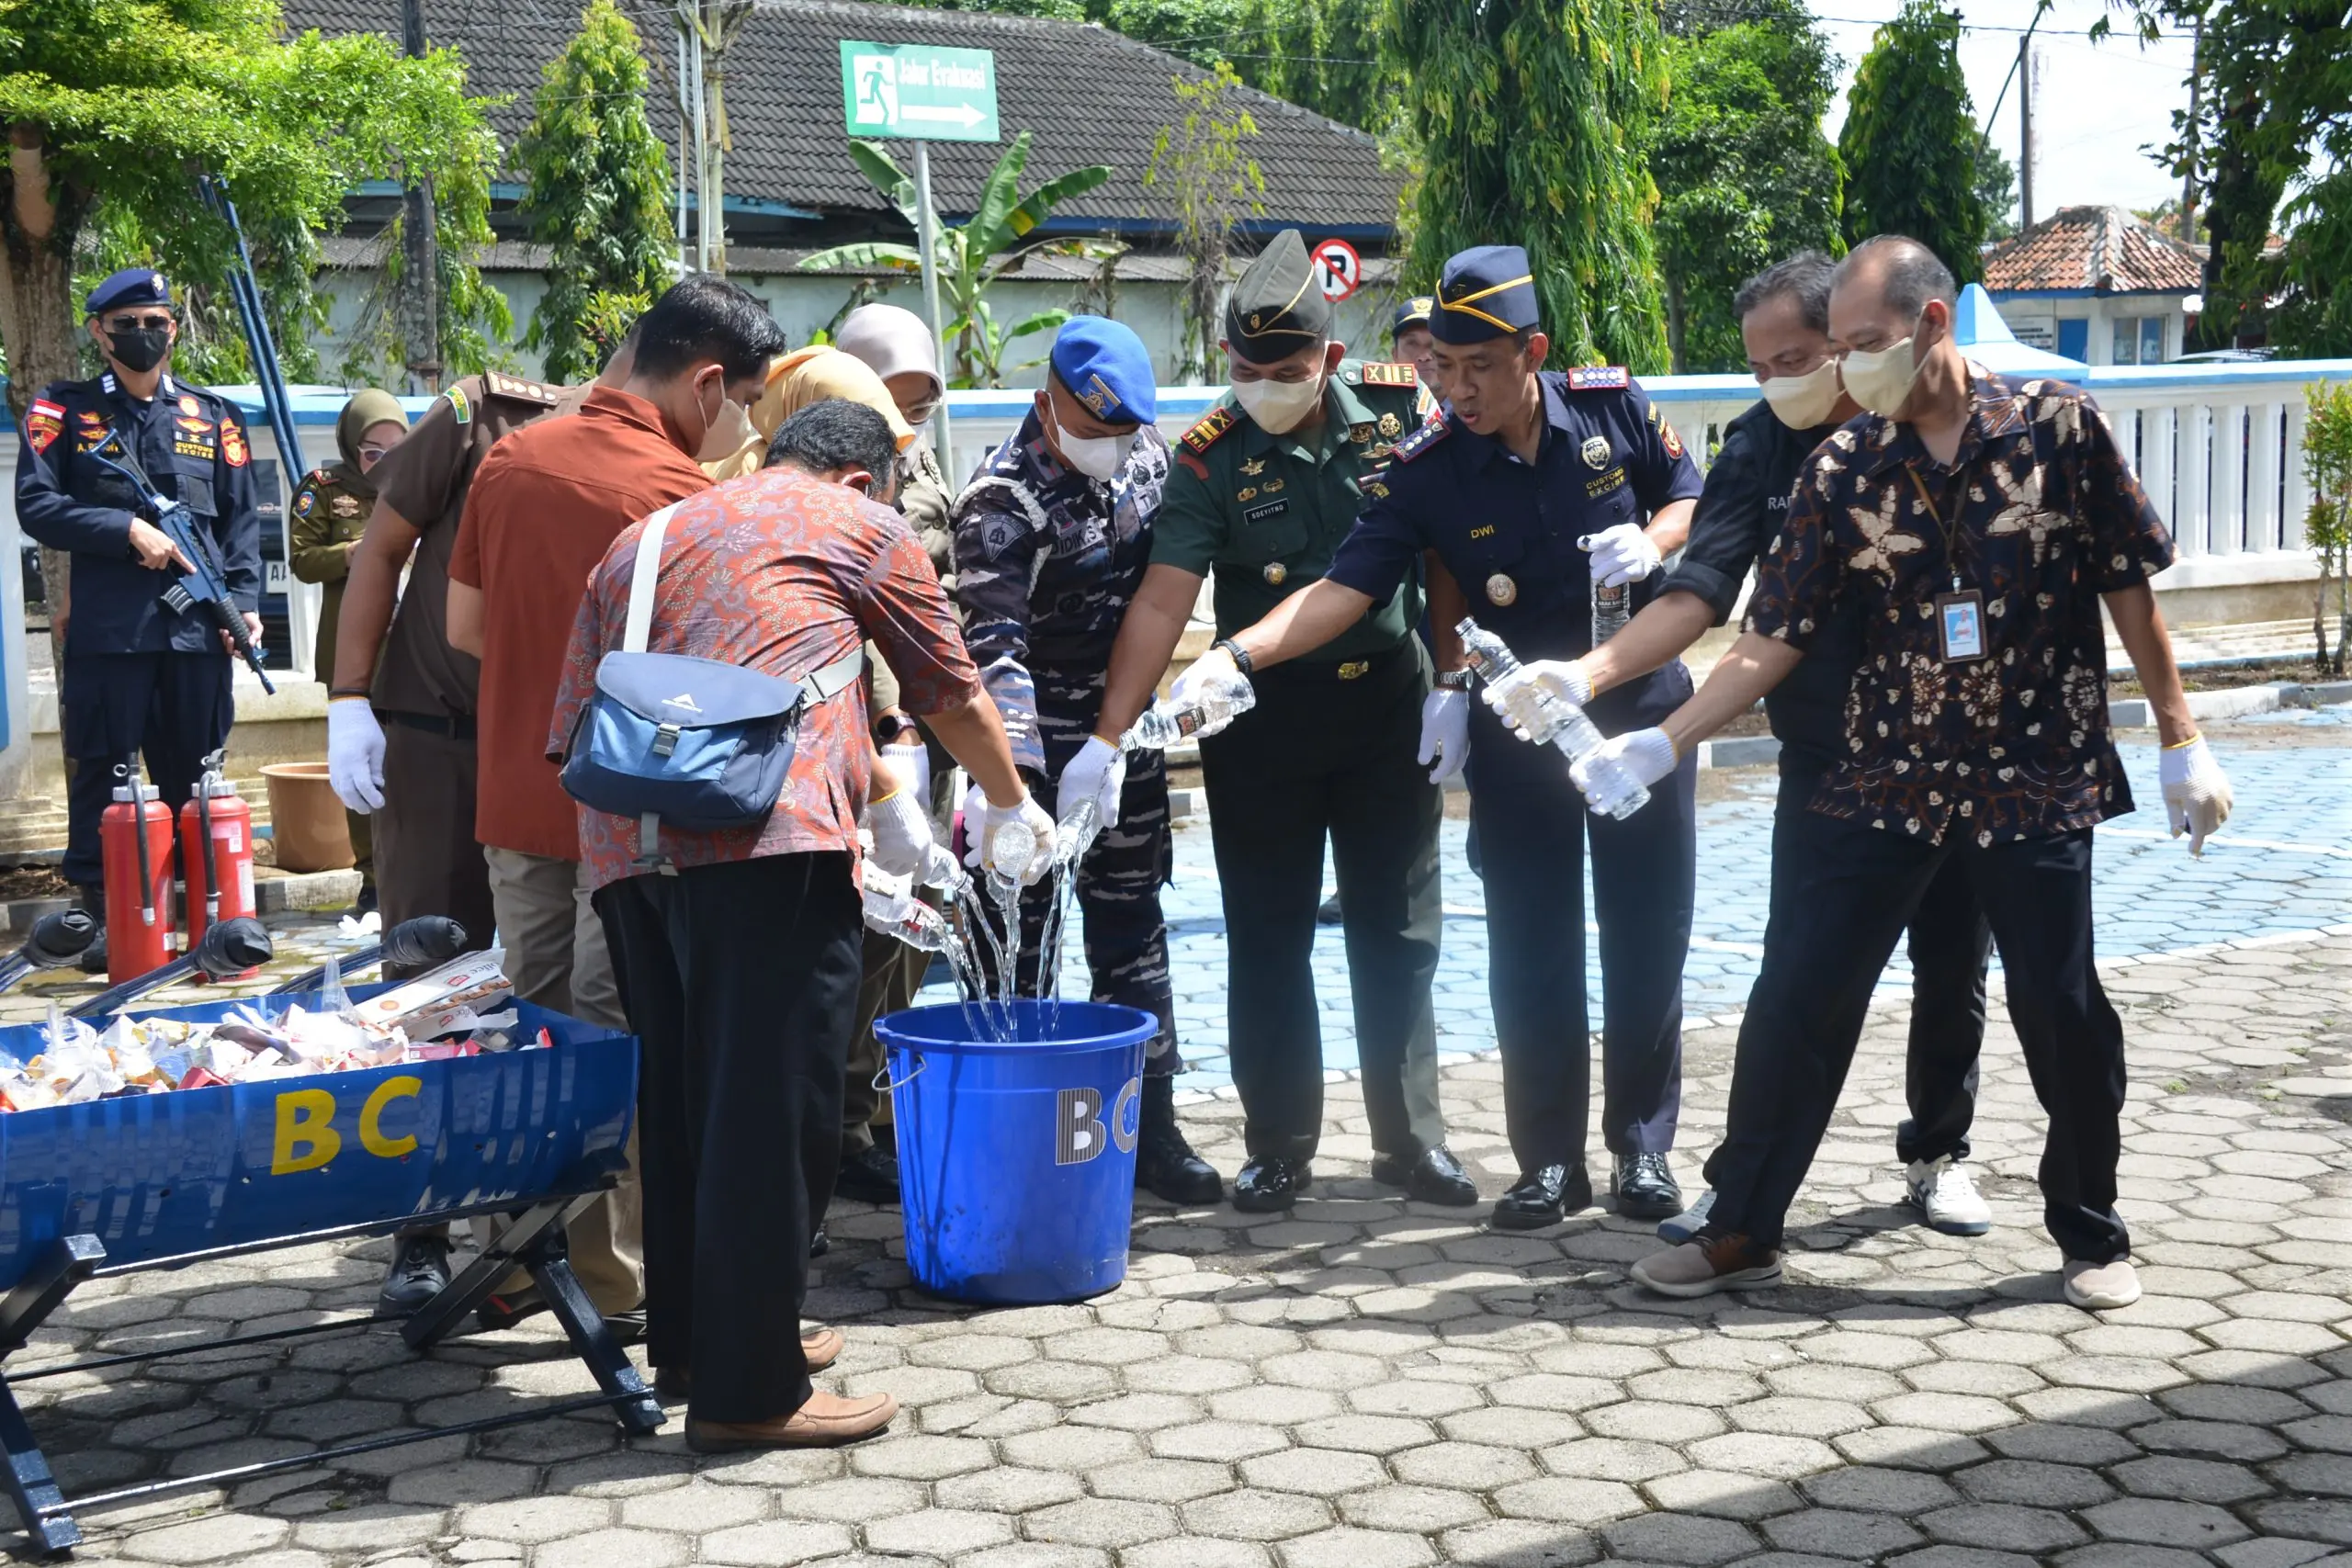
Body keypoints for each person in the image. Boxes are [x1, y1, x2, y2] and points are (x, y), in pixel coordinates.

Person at [1587, 236, 2233, 1312]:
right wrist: (1667, 739)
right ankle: (1742, 1225)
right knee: (1797, 993)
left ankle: (2089, 1230)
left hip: (2032, 766)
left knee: (2058, 1005)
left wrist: (2179, 735)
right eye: (1837, 349)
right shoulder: (1843, 469)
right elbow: (1770, 636)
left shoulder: (2058, 432)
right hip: (1880, 768)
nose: (1848, 369)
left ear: (1933, 324)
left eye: (1865, 344)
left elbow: (2131, 591)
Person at [551, 399, 1051, 1453]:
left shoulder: (640, 542)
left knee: (685, 1102)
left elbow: (570, 725)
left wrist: (868, 790)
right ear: (862, 480)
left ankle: (698, 1343)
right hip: (766, 852)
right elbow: (949, 688)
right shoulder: (860, 527)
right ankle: (749, 1392)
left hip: (624, 850)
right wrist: (1006, 801)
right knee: (773, 1113)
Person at [1178, 243, 1703, 1231]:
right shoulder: (1425, 469)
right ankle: (1546, 1163)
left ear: (1532, 352)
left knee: (1645, 941)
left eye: (1479, 367)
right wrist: (1238, 657)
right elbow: (1345, 586)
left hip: (1635, 719)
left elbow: (1690, 494)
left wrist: (1659, 539)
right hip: (1516, 734)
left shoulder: (1613, 410)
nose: (1454, 389)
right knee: (1531, 950)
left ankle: (1642, 1151)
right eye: (1442, 367)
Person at [1521, 253, 1995, 1245]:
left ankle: (1937, 1153)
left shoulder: (1927, 433)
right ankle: (1741, 1189)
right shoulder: (1756, 450)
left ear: (1850, 341)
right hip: (1826, 756)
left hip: (1951, 753)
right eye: (1759, 365)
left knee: (1953, 966)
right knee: (1793, 983)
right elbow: (1700, 596)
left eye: (1797, 358)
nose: (1778, 380)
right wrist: (1591, 673)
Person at [1092, 230, 1474, 1214]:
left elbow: (1442, 556)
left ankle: (1411, 1141)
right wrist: (1109, 733)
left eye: (1287, 369)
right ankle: (1279, 1146)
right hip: (1261, 726)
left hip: (1389, 709)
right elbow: (1162, 600)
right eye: (1246, 369)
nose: (1264, 384)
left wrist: (1454, 679)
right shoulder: (1209, 457)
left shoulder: (1398, 414)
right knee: (1267, 938)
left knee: (1397, 932)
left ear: (1332, 358)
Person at [443, 276, 785, 1326]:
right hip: (628, 816)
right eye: (744, 405)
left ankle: (506, 1257)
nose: (742, 429)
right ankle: (610, 1282)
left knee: (524, 1029)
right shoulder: (677, 497)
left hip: (515, 800)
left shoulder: (506, 459)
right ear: (707, 382)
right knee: (616, 1036)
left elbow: (464, 632)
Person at [327, 346, 626, 1314]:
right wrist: (345, 697)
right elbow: (380, 547)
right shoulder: (481, 417)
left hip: (563, 748)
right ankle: (420, 1234)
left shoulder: (670, 459)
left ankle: (542, 1232)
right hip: (443, 740)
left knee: (546, 993)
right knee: (429, 979)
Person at [949, 316, 1222, 1204]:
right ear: (1051, 400)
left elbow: (1164, 588)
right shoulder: (1000, 499)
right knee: (1020, 945)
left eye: (1121, 431)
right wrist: (1014, 789)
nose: (1111, 446)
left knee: (1132, 930)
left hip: (1120, 742)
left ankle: (1155, 1127)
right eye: (1094, 429)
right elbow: (995, 657)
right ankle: (1020, 1134)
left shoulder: (1145, 452)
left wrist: (1112, 744)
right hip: (1025, 754)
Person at [17, 268, 262, 974]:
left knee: (199, 780)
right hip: (112, 637)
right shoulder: (62, 410)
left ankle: (202, 925)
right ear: (99, 331)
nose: (143, 335)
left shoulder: (213, 417)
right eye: (126, 324)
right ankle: (103, 922)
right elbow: (37, 504)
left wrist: (243, 604)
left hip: (196, 637)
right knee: (106, 776)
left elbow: (242, 521)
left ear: (174, 328)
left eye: (155, 321)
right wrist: (123, 527)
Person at [289, 389, 410, 911]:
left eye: (396, 448)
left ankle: (415, 867)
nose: (385, 462)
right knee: (360, 766)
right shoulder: (323, 489)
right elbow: (302, 560)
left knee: (414, 763)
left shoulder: (420, 485)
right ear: (351, 446)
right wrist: (353, 553)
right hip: (353, 654)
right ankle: (372, 878)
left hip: (413, 650)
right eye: (372, 451)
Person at [834, 301, 957, 552]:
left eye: (920, 409)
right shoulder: (830, 477)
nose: (905, 427)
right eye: (886, 410)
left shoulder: (915, 444)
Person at [1392, 295, 1441, 399]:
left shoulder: (1480, 409)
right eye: (1412, 344)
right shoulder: (1376, 412)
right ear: (1395, 355)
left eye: (1434, 343)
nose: (1424, 357)